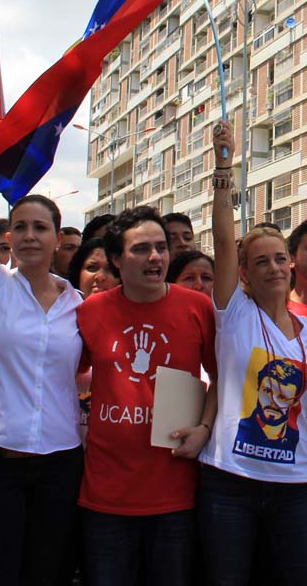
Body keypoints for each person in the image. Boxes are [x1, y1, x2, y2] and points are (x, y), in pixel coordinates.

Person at [199, 119, 307, 585]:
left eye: (281, 257)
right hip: (229, 483)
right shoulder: (234, 312)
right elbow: (223, 237)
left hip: (297, 488)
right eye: (261, 261)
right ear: (243, 273)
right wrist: (225, 163)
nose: (275, 267)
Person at [0, 80, 85, 586]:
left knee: (47, 571)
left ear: (57, 238)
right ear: (8, 237)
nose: (28, 236)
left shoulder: (81, 306)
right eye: (20, 227)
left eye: (40, 227)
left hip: (59, 464)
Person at [76, 206, 217, 586]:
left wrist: (204, 428)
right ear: (117, 260)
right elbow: (69, 375)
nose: (155, 257)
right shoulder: (88, 312)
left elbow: (220, 378)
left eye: (161, 247)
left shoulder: (198, 307)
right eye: (141, 249)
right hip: (105, 493)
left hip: (174, 492)